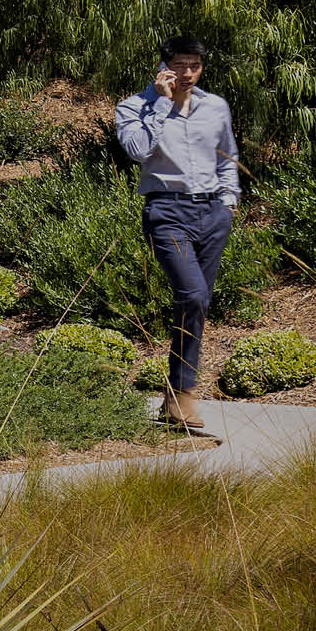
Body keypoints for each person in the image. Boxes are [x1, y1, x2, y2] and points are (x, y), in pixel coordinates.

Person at [115, 35, 241, 430]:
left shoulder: (215, 107)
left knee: (197, 304)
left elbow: (227, 157)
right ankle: (182, 391)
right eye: (179, 66)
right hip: (167, 212)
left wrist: (229, 202)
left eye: (194, 66)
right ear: (163, 67)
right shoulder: (133, 107)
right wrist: (162, 103)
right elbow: (137, 150)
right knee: (193, 294)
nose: (187, 73)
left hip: (212, 213)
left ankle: (176, 396)